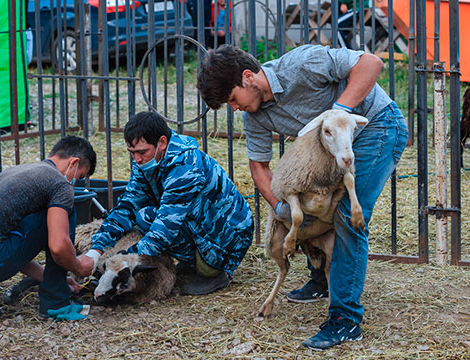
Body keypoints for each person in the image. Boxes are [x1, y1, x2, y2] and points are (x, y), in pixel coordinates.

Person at [197, 44, 408, 350]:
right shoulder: (255, 117)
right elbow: (259, 168)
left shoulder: (303, 63)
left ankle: (345, 321)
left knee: (347, 216)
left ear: (247, 78)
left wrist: (340, 111)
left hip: (377, 126)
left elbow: (371, 63)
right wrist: (286, 212)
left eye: (232, 99)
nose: (234, 108)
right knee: (309, 205)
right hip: (333, 150)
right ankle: (322, 281)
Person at [85, 111, 254, 296]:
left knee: (152, 218)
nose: (137, 159)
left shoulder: (185, 167)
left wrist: (121, 258)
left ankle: (216, 270)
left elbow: (165, 227)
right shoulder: (145, 161)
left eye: (142, 152)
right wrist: (96, 251)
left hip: (231, 235)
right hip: (206, 224)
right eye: (132, 153)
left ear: (162, 143)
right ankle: (195, 260)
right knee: (143, 215)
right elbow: (129, 204)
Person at [0, 136, 97, 320]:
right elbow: (58, 246)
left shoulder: (21, 171)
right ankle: (56, 303)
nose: (75, 182)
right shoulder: (60, 184)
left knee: (16, 227)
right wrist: (78, 266)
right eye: (79, 177)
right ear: (74, 162)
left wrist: (48, 277)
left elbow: (17, 247)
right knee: (64, 212)